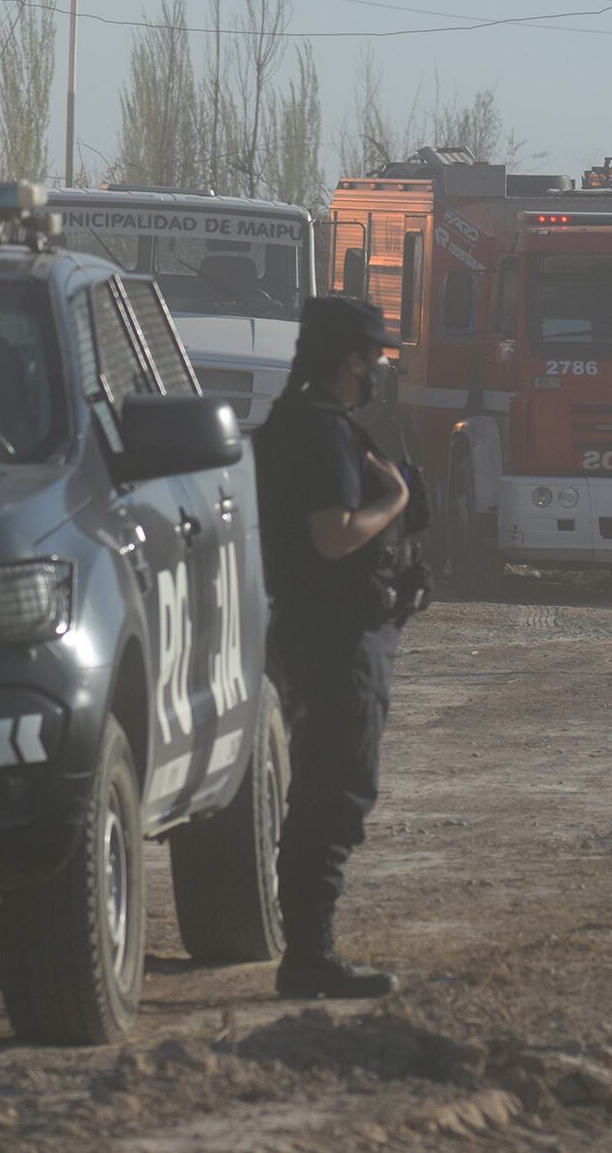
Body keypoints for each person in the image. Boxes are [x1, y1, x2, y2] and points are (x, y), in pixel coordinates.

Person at [252, 296, 412, 999]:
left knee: (326, 785)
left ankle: (308, 950)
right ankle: (309, 955)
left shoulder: (300, 422)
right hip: (334, 634)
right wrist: (396, 501)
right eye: (373, 355)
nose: (377, 367)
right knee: (333, 789)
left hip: (324, 629)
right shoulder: (319, 432)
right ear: (352, 358)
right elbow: (334, 534)